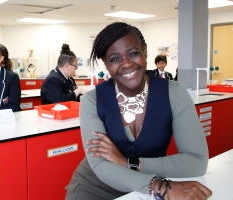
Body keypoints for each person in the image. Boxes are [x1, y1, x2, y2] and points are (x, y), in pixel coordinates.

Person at [65, 22, 212, 199]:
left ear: (145, 50)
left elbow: (197, 161)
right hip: (94, 189)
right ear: (106, 63)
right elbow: (101, 165)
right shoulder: (92, 100)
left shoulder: (174, 93)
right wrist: (156, 185)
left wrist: (130, 163)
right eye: (115, 59)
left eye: (133, 53)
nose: (126, 64)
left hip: (146, 190)